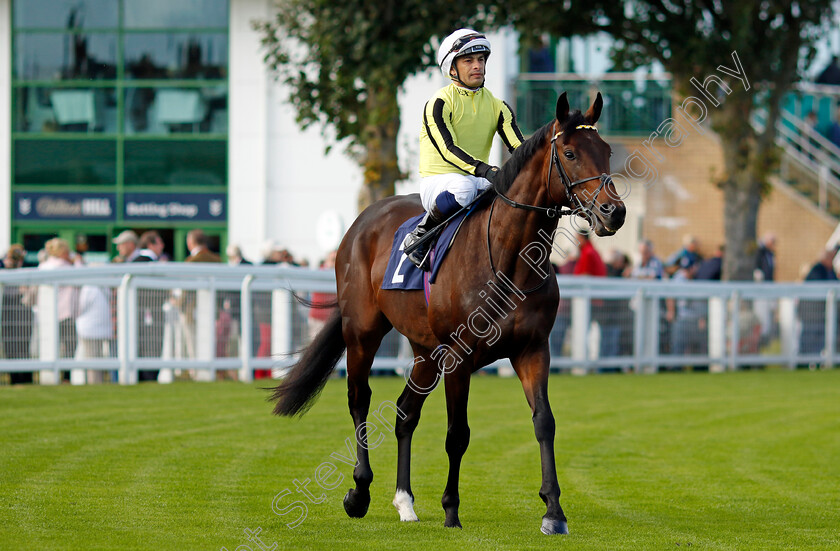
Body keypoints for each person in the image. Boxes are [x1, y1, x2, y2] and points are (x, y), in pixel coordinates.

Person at [404, 28, 525, 269]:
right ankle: (420, 235)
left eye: (480, 60)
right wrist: (486, 170)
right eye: (468, 61)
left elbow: (520, 150)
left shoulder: (499, 107)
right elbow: (447, 149)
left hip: (477, 181)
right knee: (464, 186)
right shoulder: (439, 103)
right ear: (451, 69)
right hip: (439, 183)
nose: (477, 66)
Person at [39, 238, 78, 359]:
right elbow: (81, 274)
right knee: (70, 346)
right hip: (65, 313)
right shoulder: (66, 267)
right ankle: (66, 376)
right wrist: (77, 261)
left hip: (46, 313)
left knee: (49, 347)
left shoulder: (43, 266)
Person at [798, 248, 838, 364]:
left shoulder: (829, 270)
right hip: (812, 314)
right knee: (809, 339)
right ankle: (804, 363)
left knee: (821, 339)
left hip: (823, 314)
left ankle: (816, 362)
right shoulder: (817, 270)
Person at [2, 245, 34, 383]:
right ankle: (14, 379)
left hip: (22, 309)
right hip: (6, 310)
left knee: (23, 346)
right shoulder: (3, 268)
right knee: (9, 346)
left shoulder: (27, 269)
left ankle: (26, 378)